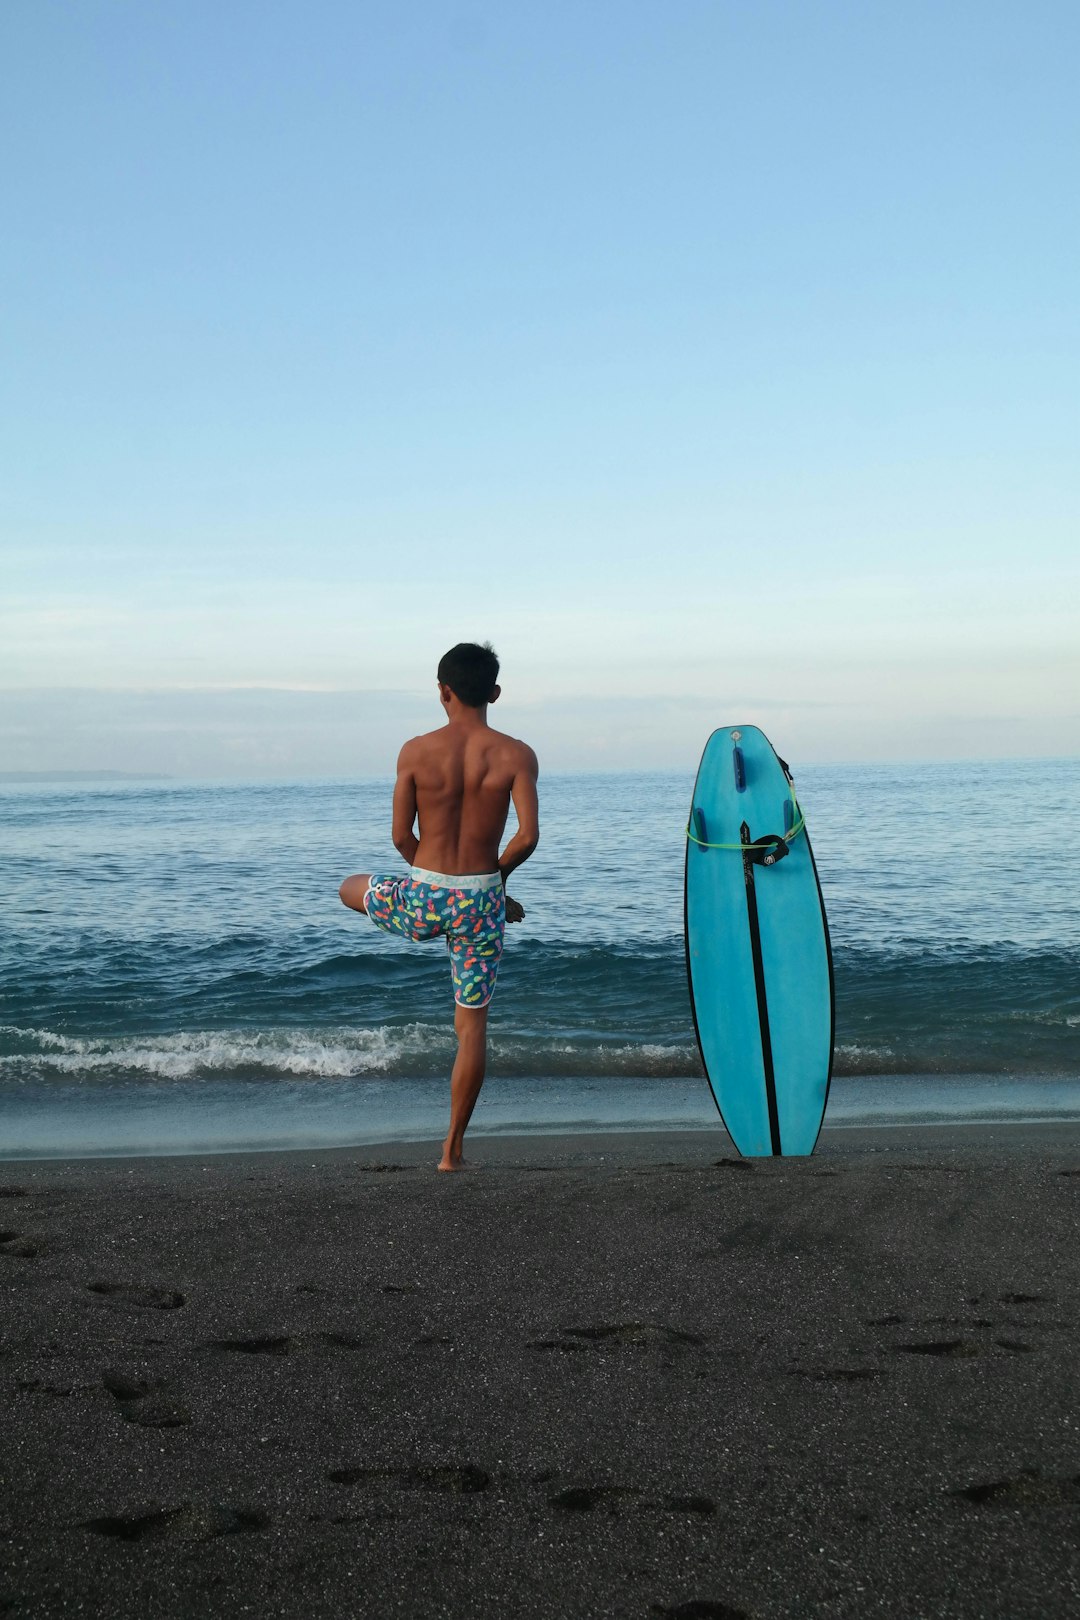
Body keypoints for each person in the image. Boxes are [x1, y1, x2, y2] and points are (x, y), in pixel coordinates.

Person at [338, 642, 539, 1171]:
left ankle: (418, 917)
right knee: (471, 1030)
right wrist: (495, 885)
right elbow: (527, 837)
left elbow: (401, 836)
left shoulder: (414, 751)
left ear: (442, 692)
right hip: (480, 903)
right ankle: (451, 1152)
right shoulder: (516, 755)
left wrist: (425, 878)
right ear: (494, 693)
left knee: (348, 886)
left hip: (423, 897)